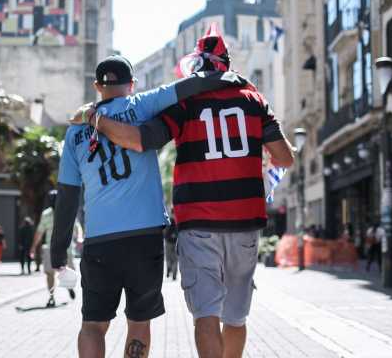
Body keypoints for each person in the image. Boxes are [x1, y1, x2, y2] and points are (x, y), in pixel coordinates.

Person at [85, 25, 294, 358]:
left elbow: (141, 140)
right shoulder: (255, 100)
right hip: (245, 222)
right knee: (236, 317)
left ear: (198, 66)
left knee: (206, 315)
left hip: (198, 223)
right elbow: (285, 157)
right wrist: (263, 175)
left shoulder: (186, 104)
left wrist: (99, 121)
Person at [54, 54, 246, 358]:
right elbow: (188, 87)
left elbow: (66, 197)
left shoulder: (75, 131)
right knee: (139, 322)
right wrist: (227, 77)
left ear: (97, 86)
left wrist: (57, 253)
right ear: (132, 84)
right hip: (144, 238)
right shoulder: (141, 104)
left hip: (99, 241)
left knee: (93, 324)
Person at [31, 191, 82, 306]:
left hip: (67, 249)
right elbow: (39, 232)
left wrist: (79, 238)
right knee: (50, 273)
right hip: (50, 249)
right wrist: (33, 247)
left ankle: (68, 286)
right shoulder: (46, 214)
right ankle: (51, 297)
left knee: (69, 271)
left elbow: (77, 227)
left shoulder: (68, 212)